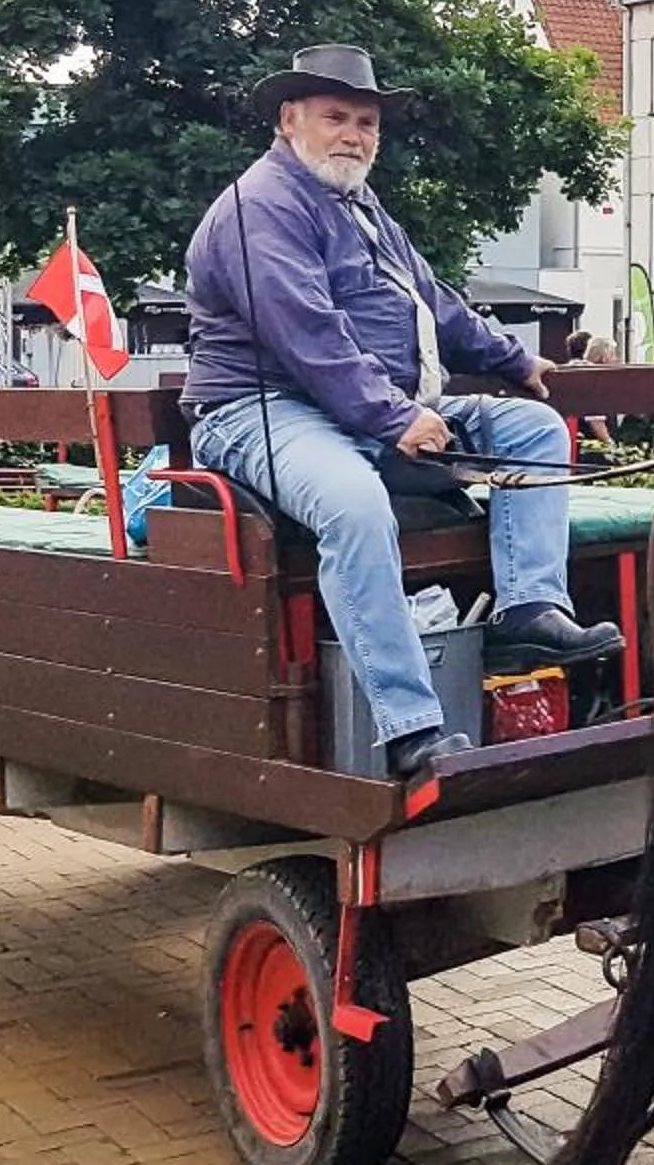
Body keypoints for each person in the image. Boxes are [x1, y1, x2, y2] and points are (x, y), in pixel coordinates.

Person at [182, 45, 621, 781]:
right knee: (354, 508)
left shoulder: (360, 206)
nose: (354, 135)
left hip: (364, 409)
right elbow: (307, 336)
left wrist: (516, 363)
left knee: (534, 430)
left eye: (366, 122)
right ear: (291, 121)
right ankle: (411, 728)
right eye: (336, 118)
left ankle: (528, 615)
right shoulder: (259, 206)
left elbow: (433, 299)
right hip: (261, 409)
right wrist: (392, 418)